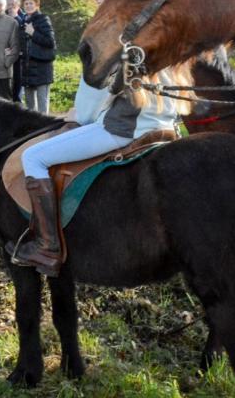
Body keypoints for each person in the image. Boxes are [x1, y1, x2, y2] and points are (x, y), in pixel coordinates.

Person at [11, 64, 193, 277]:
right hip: (164, 128)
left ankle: (46, 247)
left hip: (124, 130)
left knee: (33, 157)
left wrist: (79, 114)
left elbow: (87, 114)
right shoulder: (168, 44)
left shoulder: (122, 45)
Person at [17, 0, 56, 114]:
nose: (28, 6)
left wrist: (33, 33)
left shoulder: (43, 19)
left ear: (37, 5)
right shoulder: (23, 21)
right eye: (26, 3)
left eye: (31, 3)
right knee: (29, 107)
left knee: (42, 106)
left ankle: (47, 131)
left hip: (41, 69)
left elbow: (50, 42)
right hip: (27, 69)